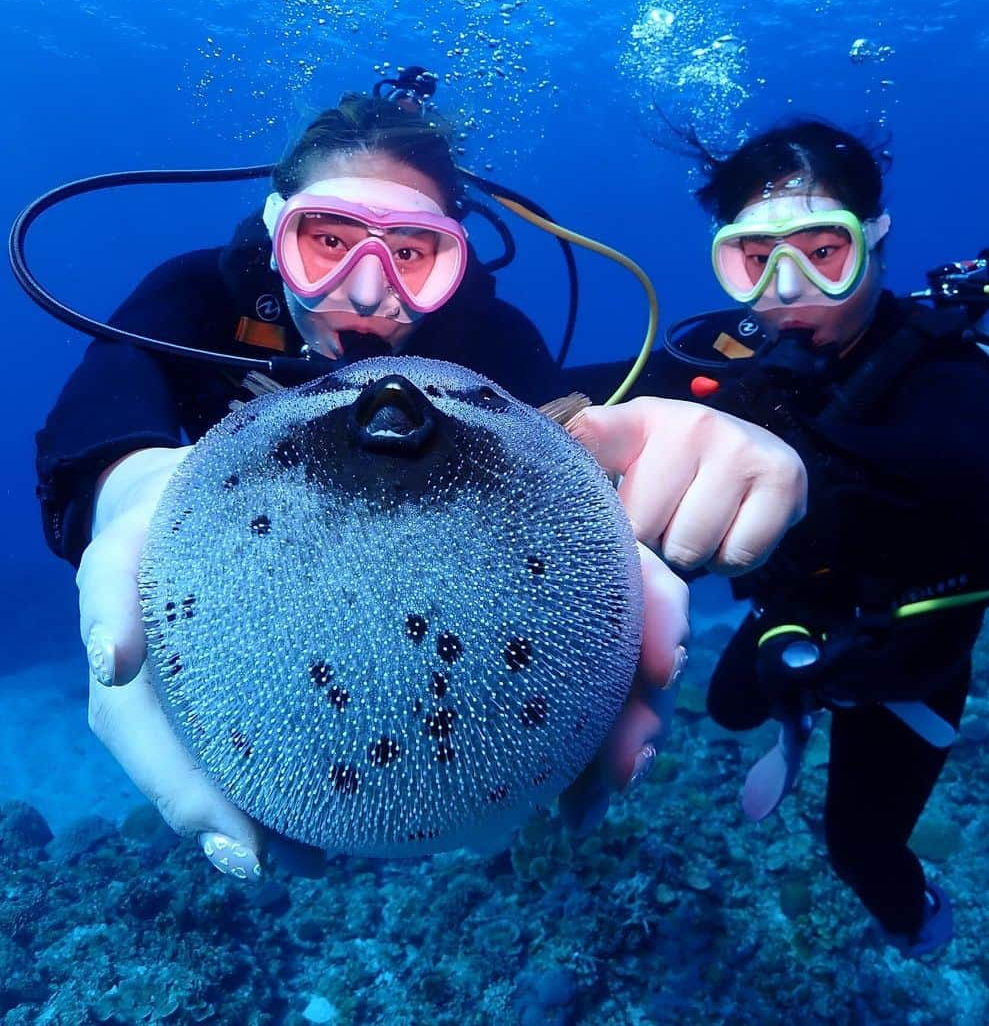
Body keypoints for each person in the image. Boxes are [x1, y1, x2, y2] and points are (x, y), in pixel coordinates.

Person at [33, 87, 808, 879]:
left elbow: (564, 440)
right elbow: (101, 399)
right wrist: (124, 486)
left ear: (455, 260)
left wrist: (707, 430)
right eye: (327, 241)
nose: (369, 293)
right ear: (275, 232)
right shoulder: (198, 295)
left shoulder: (484, 338)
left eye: (411, 253)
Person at [667, 119, 989, 956]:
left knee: (859, 847)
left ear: (875, 243)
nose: (786, 289)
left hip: (911, 646)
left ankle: (923, 926)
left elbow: (970, 472)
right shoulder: (742, 362)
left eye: (821, 251)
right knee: (726, 708)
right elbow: (585, 398)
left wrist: (787, 443)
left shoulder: (942, 367)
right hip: (800, 611)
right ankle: (799, 693)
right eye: (755, 260)